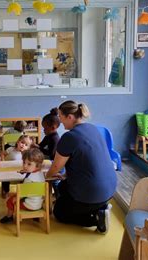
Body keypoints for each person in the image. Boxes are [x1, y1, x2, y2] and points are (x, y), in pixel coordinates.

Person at [46, 100, 117, 234]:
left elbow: (55, 167)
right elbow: (87, 160)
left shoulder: (69, 137)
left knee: (59, 213)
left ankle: (96, 219)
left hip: (92, 192)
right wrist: (66, 175)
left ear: (70, 117)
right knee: (62, 186)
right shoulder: (93, 128)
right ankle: (99, 207)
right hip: (110, 189)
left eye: (61, 117)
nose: (60, 121)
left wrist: (45, 176)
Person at [0, 148, 46, 223]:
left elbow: (21, 194)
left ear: (37, 166)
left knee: (10, 201)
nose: (25, 166)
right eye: (24, 162)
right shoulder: (41, 174)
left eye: (29, 164)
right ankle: (36, 216)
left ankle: (9, 217)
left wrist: (13, 196)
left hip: (29, 204)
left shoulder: (29, 180)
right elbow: (29, 192)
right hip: (39, 204)